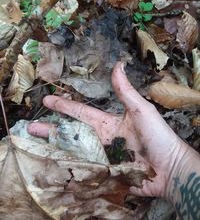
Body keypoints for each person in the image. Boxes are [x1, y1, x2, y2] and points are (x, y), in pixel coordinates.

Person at [28, 62, 200, 220]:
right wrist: (174, 166)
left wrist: (174, 166)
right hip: (115, 156)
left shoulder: (128, 152)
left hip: (120, 159)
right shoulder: (120, 149)